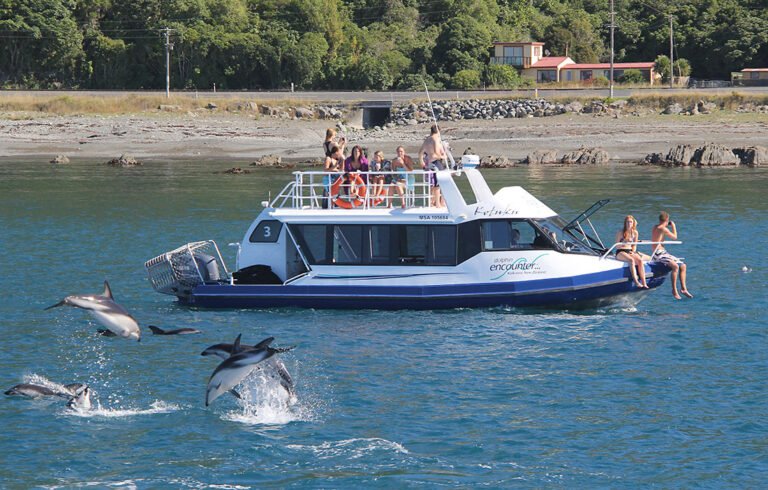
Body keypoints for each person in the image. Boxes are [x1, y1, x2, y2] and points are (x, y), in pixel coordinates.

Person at [651, 211, 693, 299]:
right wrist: (673, 226)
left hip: (663, 252)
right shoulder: (663, 229)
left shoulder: (655, 227)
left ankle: (683, 289)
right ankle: (674, 290)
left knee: (683, 266)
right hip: (658, 254)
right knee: (675, 267)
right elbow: (675, 237)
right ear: (667, 220)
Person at [615, 214, 648, 289]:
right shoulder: (620, 232)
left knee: (639, 260)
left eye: (630, 222)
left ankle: (644, 282)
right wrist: (625, 240)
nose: (629, 224)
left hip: (629, 250)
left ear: (633, 223)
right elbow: (617, 246)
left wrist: (633, 251)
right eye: (627, 222)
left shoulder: (635, 232)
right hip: (620, 251)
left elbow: (634, 245)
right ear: (625, 223)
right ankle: (636, 281)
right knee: (631, 260)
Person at [419, 124, 447, 207]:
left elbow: (420, 153)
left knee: (435, 184)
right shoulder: (435, 139)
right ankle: (439, 204)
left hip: (430, 164)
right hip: (436, 163)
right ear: (438, 131)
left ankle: (437, 202)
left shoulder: (427, 140)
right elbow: (436, 154)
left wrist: (422, 164)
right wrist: (443, 156)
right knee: (439, 184)